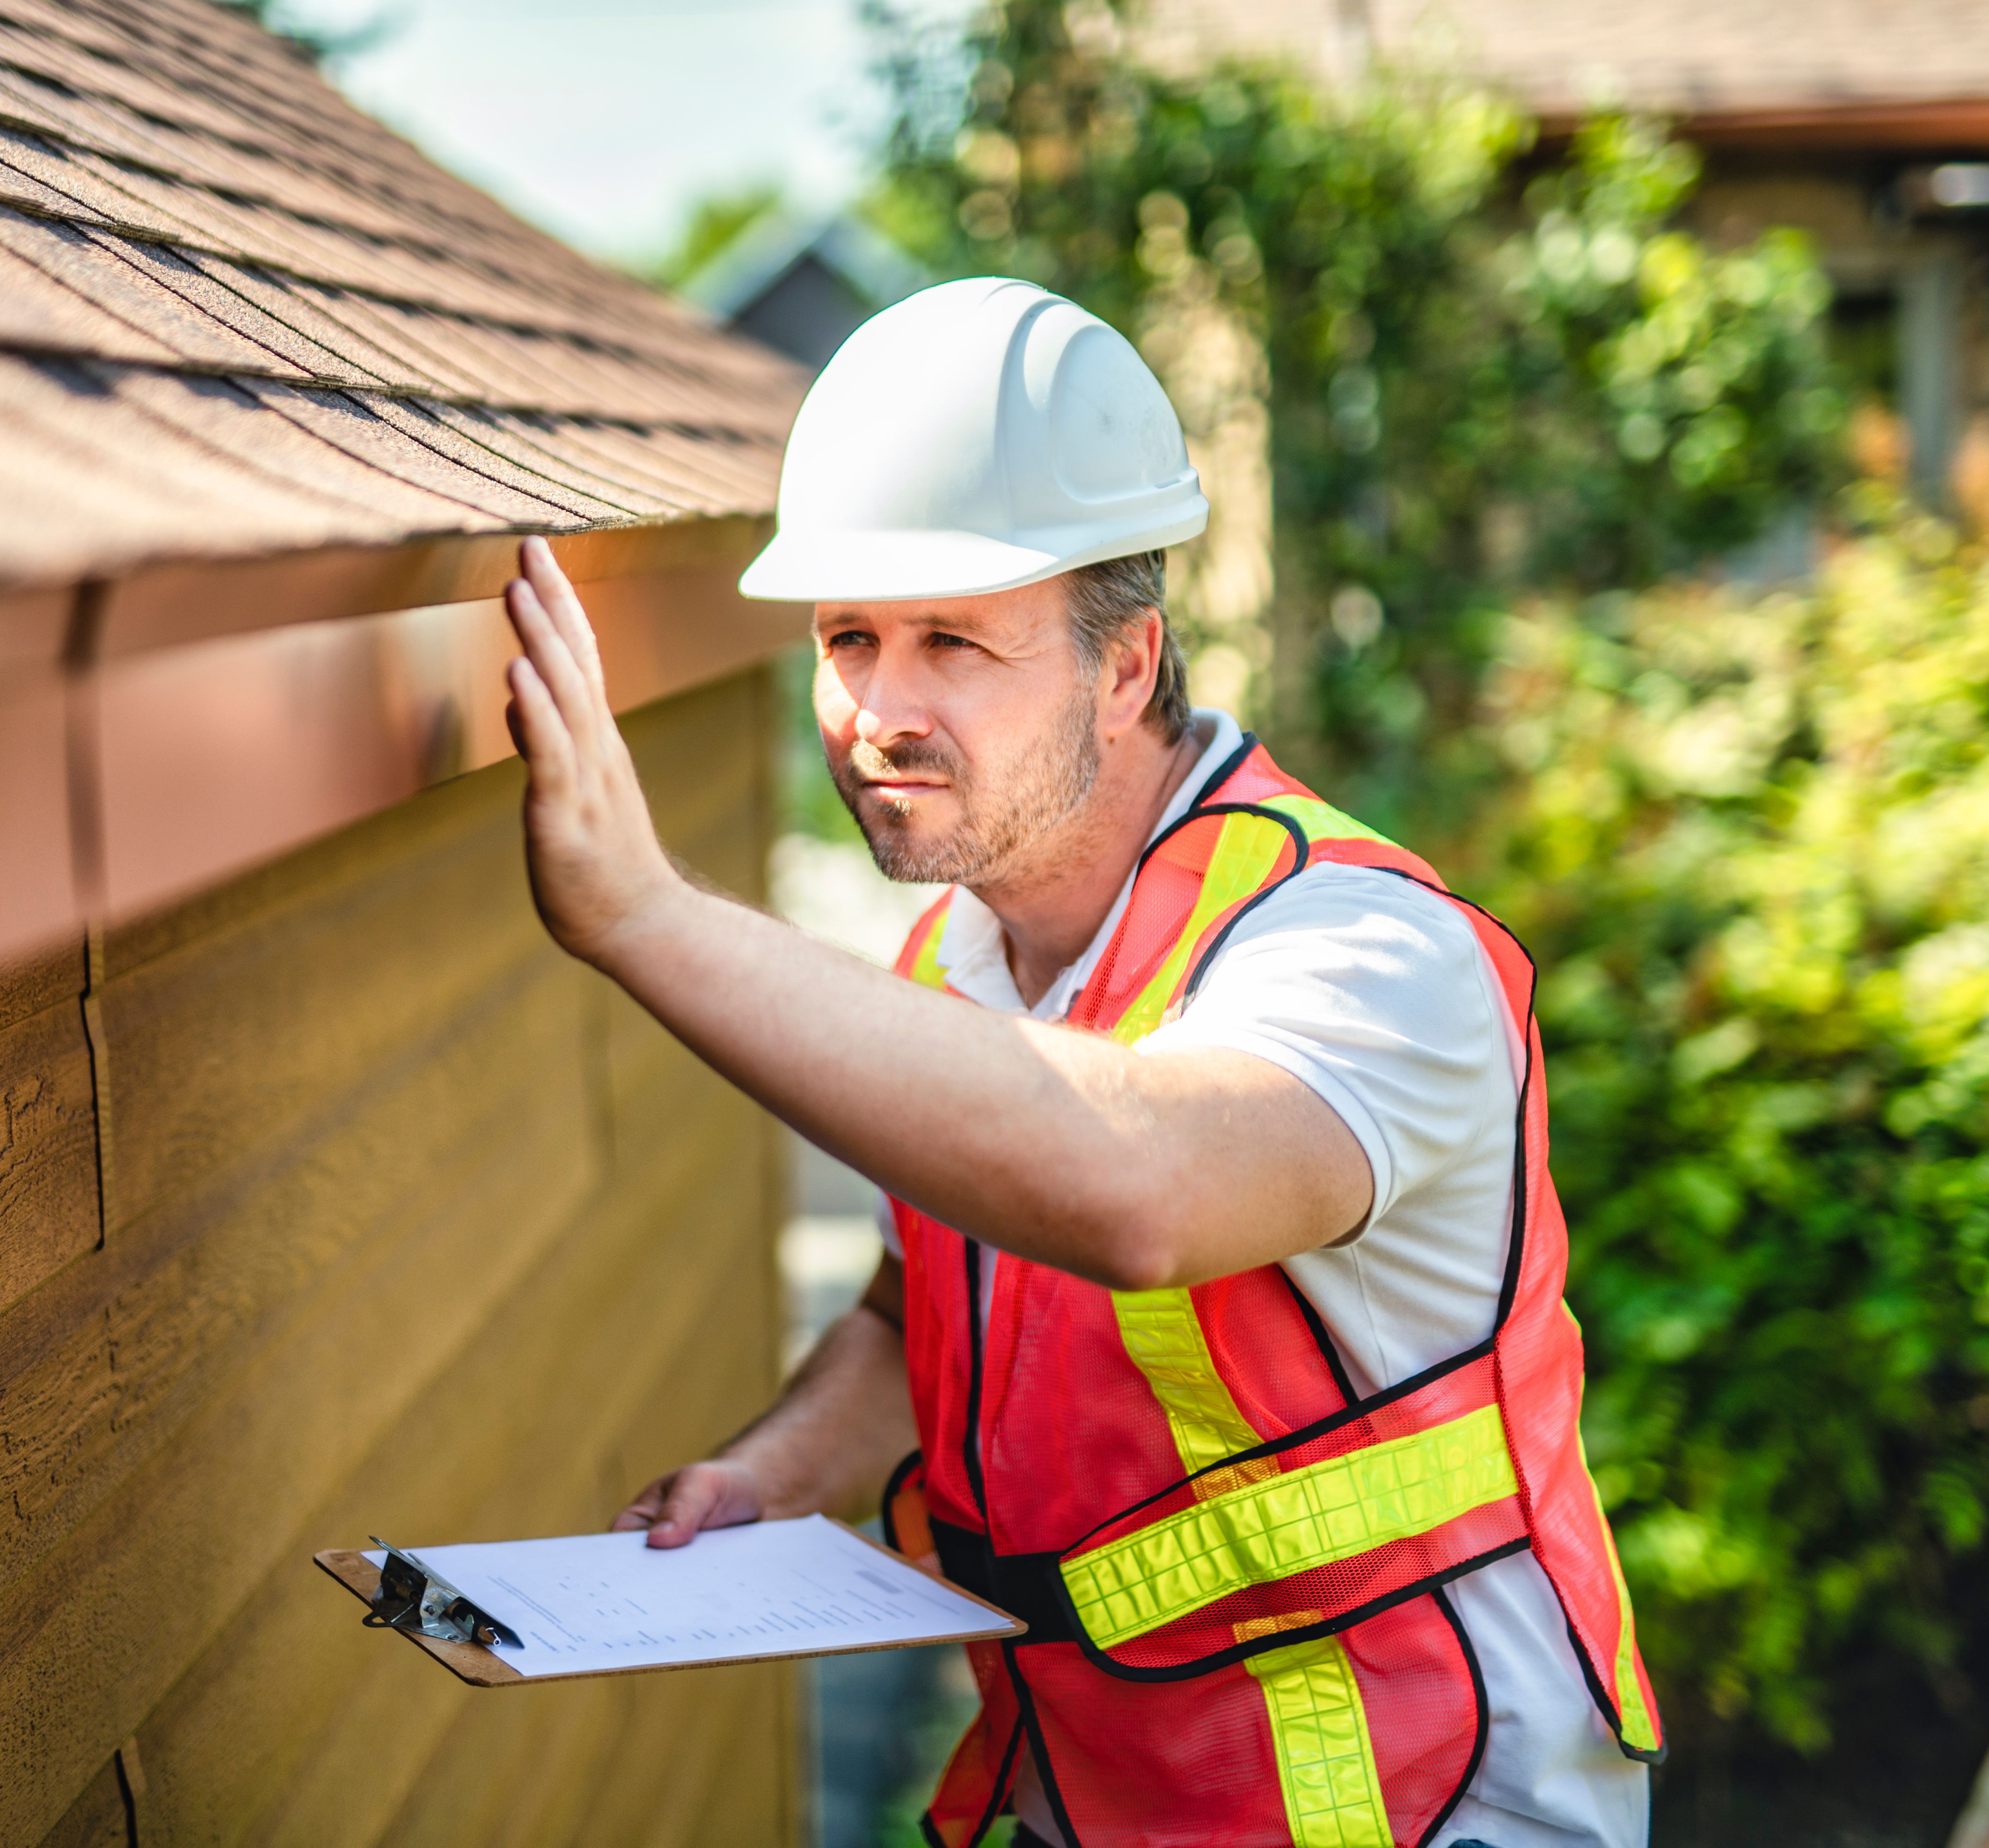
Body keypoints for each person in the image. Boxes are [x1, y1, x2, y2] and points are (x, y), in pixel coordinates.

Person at [497, 277, 1658, 1848]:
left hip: (1416, 1799)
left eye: (956, 643)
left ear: (1125, 670)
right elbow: (940, 1311)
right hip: (1090, 1793)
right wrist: (773, 1477)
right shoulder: (952, 966)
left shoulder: (1370, 957)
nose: (877, 712)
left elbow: (1138, 1190)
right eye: (849, 638)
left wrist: (640, 913)